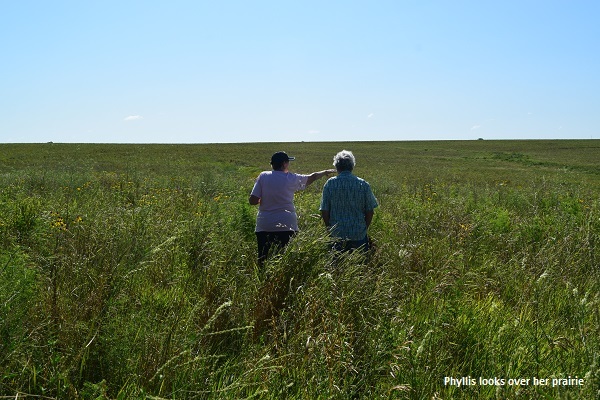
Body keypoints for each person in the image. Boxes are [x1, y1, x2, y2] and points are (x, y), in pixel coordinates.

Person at [249, 151, 335, 267]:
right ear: (284, 164)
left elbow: (252, 200)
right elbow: (312, 177)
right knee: (285, 260)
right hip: (287, 224)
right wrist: (325, 172)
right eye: (288, 162)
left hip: (265, 224)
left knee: (263, 259)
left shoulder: (263, 176)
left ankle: (264, 281)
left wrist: (264, 199)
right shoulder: (291, 178)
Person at [320, 150, 378, 252]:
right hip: (358, 234)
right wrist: (364, 229)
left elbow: (324, 210)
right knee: (359, 265)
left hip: (337, 234)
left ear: (337, 167)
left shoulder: (330, 184)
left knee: (337, 265)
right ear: (352, 166)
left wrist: (329, 229)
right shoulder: (363, 184)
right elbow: (370, 211)